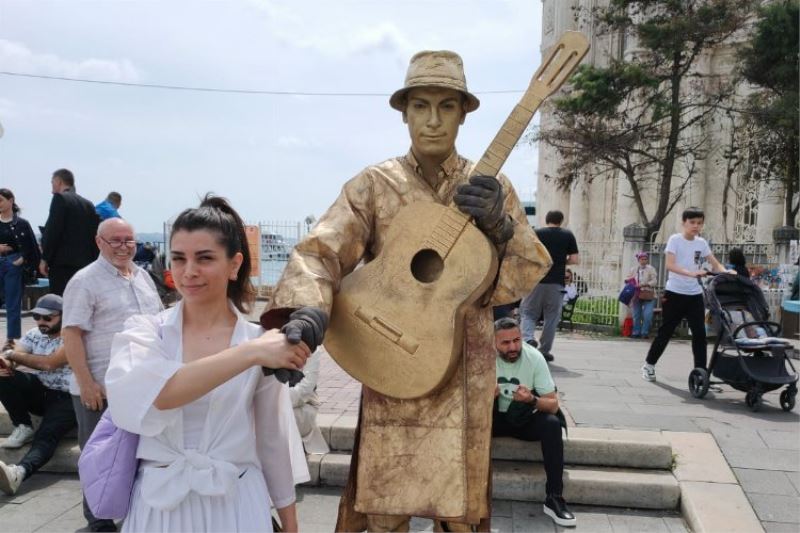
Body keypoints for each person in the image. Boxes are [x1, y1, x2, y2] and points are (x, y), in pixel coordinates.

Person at [262, 50, 550, 531]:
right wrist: (311, 310)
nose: (433, 121)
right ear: (404, 112)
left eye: (446, 106)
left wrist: (501, 227)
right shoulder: (374, 185)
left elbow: (526, 270)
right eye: (420, 106)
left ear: (463, 113)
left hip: (466, 365)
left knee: (460, 505)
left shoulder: (491, 185)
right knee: (385, 498)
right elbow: (320, 250)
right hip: (394, 357)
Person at [106, 196, 311, 532]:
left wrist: (290, 523)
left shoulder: (259, 340)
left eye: (204, 258)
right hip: (159, 506)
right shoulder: (145, 332)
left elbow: (272, 438)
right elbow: (159, 394)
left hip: (237, 503)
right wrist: (251, 352)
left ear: (234, 264)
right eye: (178, 258)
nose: (189, 272)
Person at [62, 217, 162, 532]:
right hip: (99, 388)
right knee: (99, 459)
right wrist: (87, 383)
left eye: (128, 240)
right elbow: (71, 334)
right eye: (115, 241)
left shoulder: (143, 277)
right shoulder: (84, 280)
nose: (123, 247)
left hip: (139, 389)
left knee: (133, 458)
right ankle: (98, 522)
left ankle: (130, 516)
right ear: (99, 243)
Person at [493, 317, 575, 527]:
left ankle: (554, 497)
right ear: (493, 343)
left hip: (524, 418)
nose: (513, 347)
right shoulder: (481, 357)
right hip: (492, 418)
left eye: (517, 340)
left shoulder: (534, 357)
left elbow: (553, 405)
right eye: (505, 343)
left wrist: (532, 399)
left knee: (551, 424)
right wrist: (482, 396)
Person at [641, 207, 736, 382]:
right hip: (675, 293)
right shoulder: (675, 240)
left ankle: (700, 374)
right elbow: (670, 265)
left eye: (699, 223)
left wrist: (727, 272)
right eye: (692, 222)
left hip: (695, 295)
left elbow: (715, 264)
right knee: (666, 332)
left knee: (700, 335)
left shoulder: (701, 243)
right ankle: (649, 365)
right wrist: (691, 273)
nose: (696, 226)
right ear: (684, 223)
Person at [0, 294, 77, 496]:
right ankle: (23, 426)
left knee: (46, 436)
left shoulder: (73, 336)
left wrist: (12, 355)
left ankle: (18, 472)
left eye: (48, 317)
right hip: (44, 391)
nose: (41, 322)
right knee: (4, 376)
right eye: (36, 317)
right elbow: (16, 354)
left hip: (70, 397)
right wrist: (5, 363)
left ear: (63, 316)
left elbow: (49, 363)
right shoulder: (35, 333)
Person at [519, 210, 580, 362]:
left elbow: (526, 254)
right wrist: (560, 262)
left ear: (547, 220)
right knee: (551, 318)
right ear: (561, 220)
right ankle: (544, 351)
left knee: (528, 313)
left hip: (536, 281)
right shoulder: (568, 235)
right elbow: (574, 259)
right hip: (556, 283)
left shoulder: (536, 233)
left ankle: (528, 339)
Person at [40, 168, 100, 295]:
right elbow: (94, 235)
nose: (51, 185)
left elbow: (53, 231)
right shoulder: (88, 204)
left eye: (52, 182)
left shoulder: (60, 199)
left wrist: (45, 258)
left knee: (61, 304)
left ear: (59, 181)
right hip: (86, 265)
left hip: (62, 265)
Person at [0, 188, 41, 351]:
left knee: (12, 303)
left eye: (1, 200)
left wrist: (21, 260)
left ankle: (10, 339)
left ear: (11, 201)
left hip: (12, 264)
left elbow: (32, 247)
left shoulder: (22, 223)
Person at [290, 346, 330, 454]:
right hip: (277, 405)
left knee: (279, 416)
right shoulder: (271, 343)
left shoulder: (311, 348)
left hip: (305, 406)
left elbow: (306, 389)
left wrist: (279, 400)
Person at [628, 252, 658, 339]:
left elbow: (654, 281)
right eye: (642, 259)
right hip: (636, 294)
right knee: (636, 314)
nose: (644, 261)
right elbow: (629, 278)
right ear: (638, 260)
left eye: (645, 259)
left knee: (647, 315)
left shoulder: (651, 269)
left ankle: (644, 332)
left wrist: (645, 284)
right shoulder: (633, 269)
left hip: (648, 294)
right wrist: (629, 281)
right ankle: (636, 332)